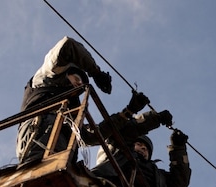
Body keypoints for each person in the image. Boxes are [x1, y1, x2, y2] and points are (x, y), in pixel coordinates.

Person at [16, 36, 172, 165]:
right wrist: (95, 72)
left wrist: (130, 112)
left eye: (83, 83)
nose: (80, 84)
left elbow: (94, 135)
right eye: (77, 78)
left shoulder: (72, 115)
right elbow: (67, 46)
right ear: (65, 72)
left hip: (62, 161)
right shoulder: (44, 80)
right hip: (36, 144)